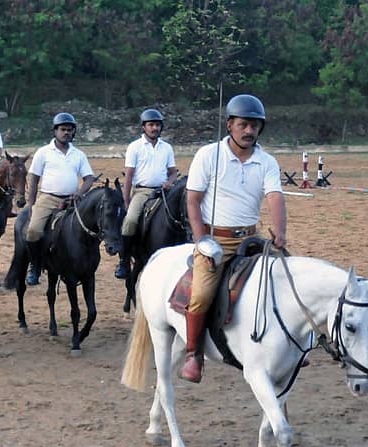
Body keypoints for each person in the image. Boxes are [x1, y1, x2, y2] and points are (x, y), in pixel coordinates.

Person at [181, 94, 286, 383]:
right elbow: (193, 200)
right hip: (216, 239)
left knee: (283, 279)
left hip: (252, 238)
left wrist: (280, 233)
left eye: (255, 125)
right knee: (202, 294)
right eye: (243, 124)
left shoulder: (267, 161)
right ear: (229, 125)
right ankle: (193, 354)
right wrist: (202, 241)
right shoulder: (208, 155)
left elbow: (275, 197)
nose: (249, 131)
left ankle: (286, 347)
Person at [23, 112, 95, 286]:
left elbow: (89, 178)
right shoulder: (43, 152)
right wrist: (31, 204)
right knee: (33, 231)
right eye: (63, 129)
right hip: (48, 198)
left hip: (73, 200)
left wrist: (80, 193)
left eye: (70, 130)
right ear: (55, 131)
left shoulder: (78, 154)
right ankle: (34, 266)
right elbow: (34, 178)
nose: (66, 133)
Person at [114, 108, 179, 279]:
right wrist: (126, 200)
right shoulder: (135, 147)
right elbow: (129, 176)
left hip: (164, 191)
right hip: (142, 191)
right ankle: (124, 261)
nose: (154, 128)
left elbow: (173, 172)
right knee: (130, 220)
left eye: (157, 125)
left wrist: (170, 182)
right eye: (151, 125)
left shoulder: (167, 147)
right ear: (144, 127)